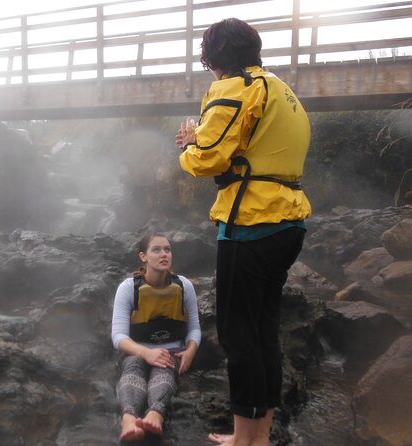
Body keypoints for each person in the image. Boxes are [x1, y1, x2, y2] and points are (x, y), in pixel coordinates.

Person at [175, 18, 311, 446]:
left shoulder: (233, 85)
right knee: (263, 330)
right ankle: (260, 434)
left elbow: (208, 159)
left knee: (237, 334)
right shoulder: (283, 91)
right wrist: (204, 140)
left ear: (214, 57)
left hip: (251, 222)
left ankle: (245, 439)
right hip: (289, 222)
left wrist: (188, 146)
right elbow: (246, 144)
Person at [111, 232, 201, 441]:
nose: (164, 254)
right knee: (133, 367)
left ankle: (155, 415)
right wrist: (146, 353)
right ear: (143, 256)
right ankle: (129, 420)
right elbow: (118, 336)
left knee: (165, 371)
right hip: (136, 350)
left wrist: (191, 350)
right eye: (156, 250)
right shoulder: (128, 288)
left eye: (167, 249)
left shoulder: (183, 286)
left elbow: (195, 328)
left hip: (171, 351)